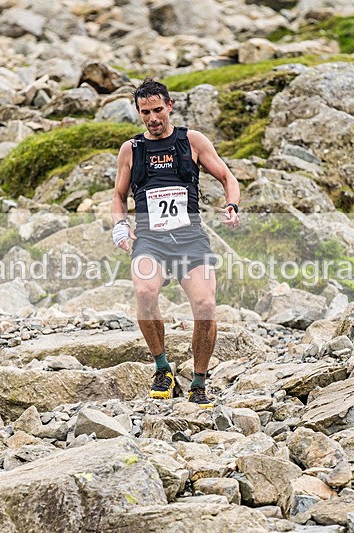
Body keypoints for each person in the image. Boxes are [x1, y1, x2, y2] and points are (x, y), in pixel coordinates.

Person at [111, 78, 240, 408]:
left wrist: (232, 204)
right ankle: (162, 368)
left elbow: (227, 177)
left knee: (206, 306)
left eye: (157, 110)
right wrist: (119, 227)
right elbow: (118, 195)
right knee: (144, 293)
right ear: (138, 113)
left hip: (190, 239)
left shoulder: (191, 141)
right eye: (145, 113)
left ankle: (199, 381)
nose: (153, 118)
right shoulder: (132, 149)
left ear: (170, 106)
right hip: (150, 241)